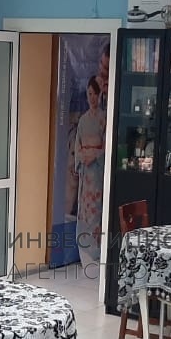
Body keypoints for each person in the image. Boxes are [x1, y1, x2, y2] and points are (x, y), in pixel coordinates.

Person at [75, 43, 110, 266]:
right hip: (86, 173)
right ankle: (84, 248)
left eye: (94, 94)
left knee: (97, 210)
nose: (91, 98)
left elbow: (106, 145)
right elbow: (78, 146)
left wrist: (94, 155)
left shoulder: (104, 118)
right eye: (89, 94)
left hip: (97, 170)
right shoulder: (83, 120)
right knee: (85, 210)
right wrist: (82, 157)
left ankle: (97, 250)